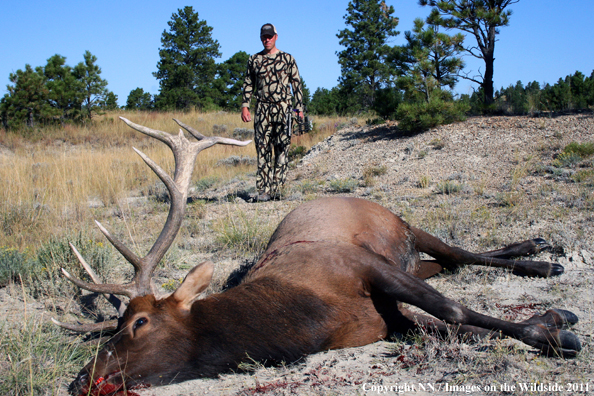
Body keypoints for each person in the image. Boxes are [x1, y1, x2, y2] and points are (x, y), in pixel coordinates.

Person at [241, 23, 304, 202]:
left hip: (284, 109)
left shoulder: (288, 58)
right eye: (263, 37)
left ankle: (278, 190)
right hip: (262, 109)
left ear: (276, 36)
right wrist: (245, 105)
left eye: (269, 36)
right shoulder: (254, 59)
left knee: (282, 149)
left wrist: (299, 109)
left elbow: (296, 84)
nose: (266, 39)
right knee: (262, 149)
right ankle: (263, 190)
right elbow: (248, 84)